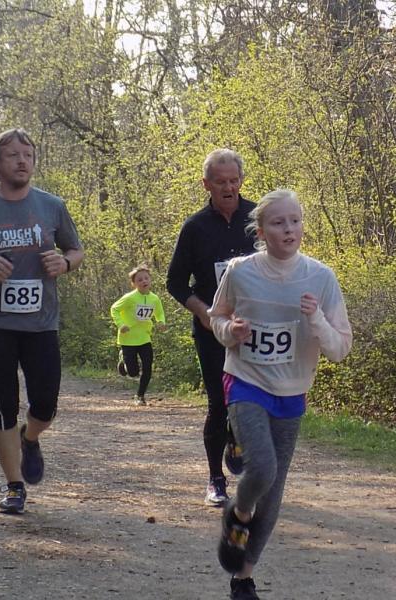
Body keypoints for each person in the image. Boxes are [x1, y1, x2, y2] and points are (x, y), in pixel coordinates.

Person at [209, 189, 352, 600]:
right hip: (246, 380)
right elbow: (217, 317)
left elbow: (341, 348)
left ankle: (243, 578)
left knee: (272, 492)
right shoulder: (241, 271)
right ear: (261, 231)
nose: (289, 229)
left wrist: (316, 319)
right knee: (263, 470)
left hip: (291, 391)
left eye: (295, 221)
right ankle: (238, 512)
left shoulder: (321, 277)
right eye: (278, 222)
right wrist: (230, 331)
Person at [0, 127, 84, 515]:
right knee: (5, 403)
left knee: (46, 404)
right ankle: (13, 486)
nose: (22, 161)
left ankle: (30, 437)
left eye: (28, 155)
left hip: (41, 323)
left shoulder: (52, 206)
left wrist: (65, 263)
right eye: (13, 155)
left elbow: (76, 249)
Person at [166, 148, 257, 507]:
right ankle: (215, 479)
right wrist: (203, 312)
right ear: (206, 184)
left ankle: (237, 439)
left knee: (249, 403)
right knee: (219, 402)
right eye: (221, 182)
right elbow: (175, 282)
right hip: (212, 329)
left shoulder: (258, 218)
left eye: (234, 181)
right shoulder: (195, 228)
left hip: (253, 329)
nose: (229, 188)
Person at [110, 265, 167, 406]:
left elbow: (159, 313)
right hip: (128, 338)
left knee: (148, 367)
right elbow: (114, 309)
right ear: (134, 284)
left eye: (146, 278)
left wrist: (161, 322)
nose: (144, 281)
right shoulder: (129, 298)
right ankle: (123, 360)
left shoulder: (154, 299)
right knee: (133, 372)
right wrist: (120, 324)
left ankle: (140, 396)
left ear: (150, 280)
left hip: (145, 338)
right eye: (139, 280)